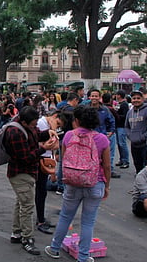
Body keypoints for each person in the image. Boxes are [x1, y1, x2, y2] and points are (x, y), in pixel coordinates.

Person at [45, 105, 111, 262]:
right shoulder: (102, 139)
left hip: (72, 182)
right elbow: (107, 166)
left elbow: (65, 159)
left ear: (77, 120)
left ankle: (54, 248)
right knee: (88, 221)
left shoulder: (68, 136)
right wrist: (106, 185)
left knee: (65, 216)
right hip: (94, 182)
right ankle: (83, 256)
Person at [5, 106, 59, 255]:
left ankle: (16, 233)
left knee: (21, 203)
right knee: (27, 206)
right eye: (33, 124)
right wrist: (43, 149)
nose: (35, 126)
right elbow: (25, 158)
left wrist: (48, 133)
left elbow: (36, 135)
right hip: (20, 172)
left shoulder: (27, 127)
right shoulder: (15, 132)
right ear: (23, 121)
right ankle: (27, 238)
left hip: (27, 172)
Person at [35, 110, 66, 234]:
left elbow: (53, 146)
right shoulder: (42, 124)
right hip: (39, 158)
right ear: (54, 116)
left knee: (42, 191)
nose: (57, 127)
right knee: (40, 190)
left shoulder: (48, 125)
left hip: (45, 158)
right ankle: (40, 220)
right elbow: (49, 144)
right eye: (57, 124)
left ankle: (41, 218)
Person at [87, 89, 117, 178]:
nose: (94, 98)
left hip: (101, 137)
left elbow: (112, 121)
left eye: (96, 96)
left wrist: (111, 132)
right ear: (89, 97)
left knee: (103, 159)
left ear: (100, 97)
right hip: (88, 138)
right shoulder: (85, 108)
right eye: (92, 96)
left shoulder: (105, 109)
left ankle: (103, 177)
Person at [125, 90, 147, 173]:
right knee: (137, 165)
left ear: (142, 99)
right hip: (134, 143)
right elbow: (126, 126)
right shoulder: (129, 112)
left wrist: (144, 136)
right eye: (134, 98)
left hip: (145, 144)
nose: (136, 100)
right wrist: (130, 135)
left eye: (138, 98)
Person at [114, 90, 130, 169]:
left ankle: (126, 160)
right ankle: (121, 159)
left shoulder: (124, 105)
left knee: (122, 144)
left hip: (122, 126)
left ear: (119, 95)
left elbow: (125, 115)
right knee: (119, 144)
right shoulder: (119, 104)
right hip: (118, 126)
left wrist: (117, 114)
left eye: (116, 95)